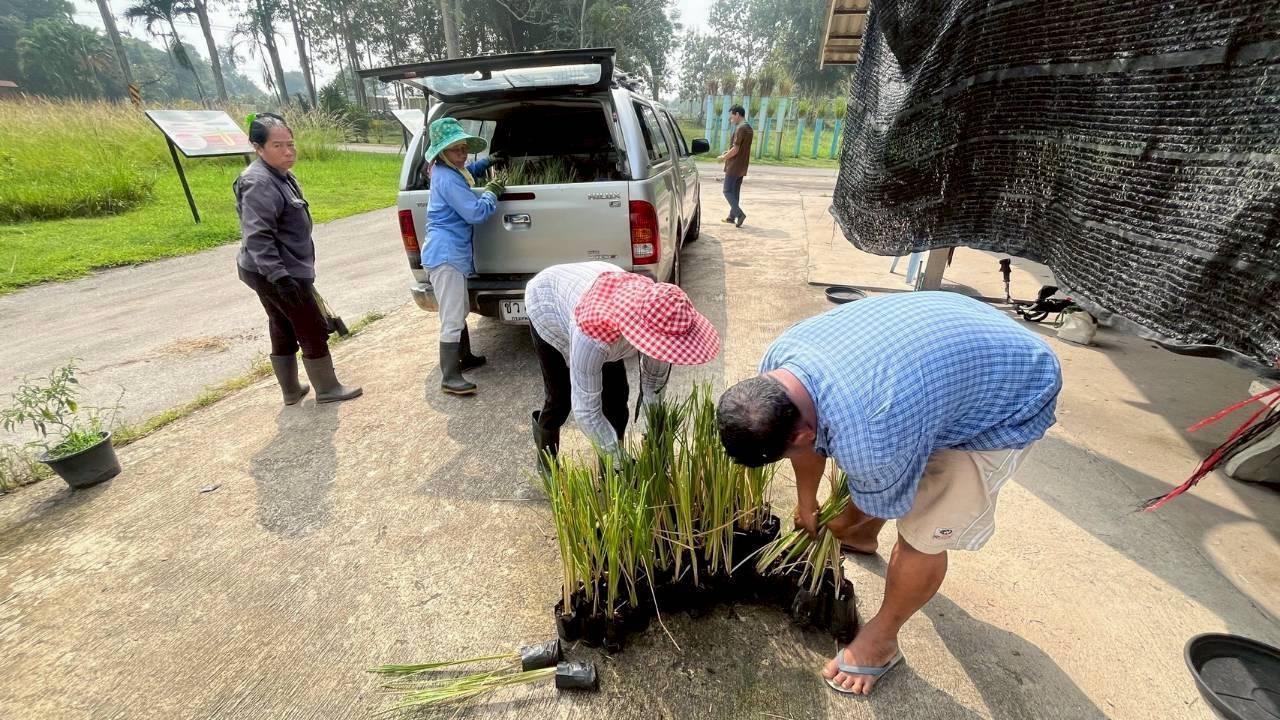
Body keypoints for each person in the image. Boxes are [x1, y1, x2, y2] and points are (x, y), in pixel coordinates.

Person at [717, 292, 1062, 696]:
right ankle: (862, 540)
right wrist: (806, 502)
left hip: (1010, 387)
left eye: (788, 449)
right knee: (891, 468)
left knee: (924, 533)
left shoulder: (871, 437)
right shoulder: (778, 366)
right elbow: (810, 447)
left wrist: (839, 523)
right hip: (945, 342)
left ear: (802, 433)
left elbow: (867, 497)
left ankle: (881, 641)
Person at [526, 261, 720, 471]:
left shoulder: (659, 317)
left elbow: (653, 384)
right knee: (560, 398)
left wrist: (655, 433)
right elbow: (586, 411)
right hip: (548, 303)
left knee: (617, 399)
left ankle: (608, 466)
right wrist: (623, 463)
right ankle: (546, 462)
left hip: (597, 296)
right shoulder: (593, 336)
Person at [235, 112, 362, 405]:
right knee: (310, 325)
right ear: (258, 147)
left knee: (281, 324)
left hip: (277, 268)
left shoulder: (280, 175)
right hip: (275, 271)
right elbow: (258, 237)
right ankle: (328, 388)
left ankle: (291, 391)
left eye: (290, 144)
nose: (288, 151)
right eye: (278, 145)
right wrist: (279, 276)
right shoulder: (259, 182)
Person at [420, 117, 506, 395]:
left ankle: (464, 358)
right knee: (452, 315)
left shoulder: (447, 171)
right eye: (456, 149)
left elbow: (467, 171)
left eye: (463, 147)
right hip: (446, 255)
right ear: (442, 152)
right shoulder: (447, 179)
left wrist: (487, 163)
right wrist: (492, 193)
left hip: (449, 252)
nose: (462, 154)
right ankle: (450, 376)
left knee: (458, 308)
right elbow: (475, 213)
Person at [716, 105, 753, 228]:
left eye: (731, 115)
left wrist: (723, 158)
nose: (730, 118)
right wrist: (727, 153)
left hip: (734, 166)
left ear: (737, 114)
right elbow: (741, 149)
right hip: (742, 165)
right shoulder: (749, 128)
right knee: (735, 192)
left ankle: (739, 213)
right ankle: (732, 217)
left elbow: (736, 149)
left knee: (727, 190)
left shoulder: (740, 129)